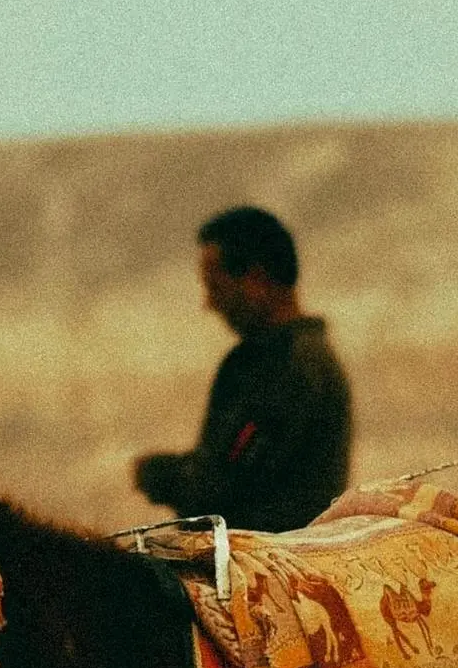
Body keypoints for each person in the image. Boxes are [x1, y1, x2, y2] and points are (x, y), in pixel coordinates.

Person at [133, 206, 352, 534]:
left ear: (256, 280)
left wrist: (157, 474)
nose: (209, 303)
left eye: (216, 287)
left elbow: (221, 486)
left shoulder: (294, 367)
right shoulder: (266, 360)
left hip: (268, 568)